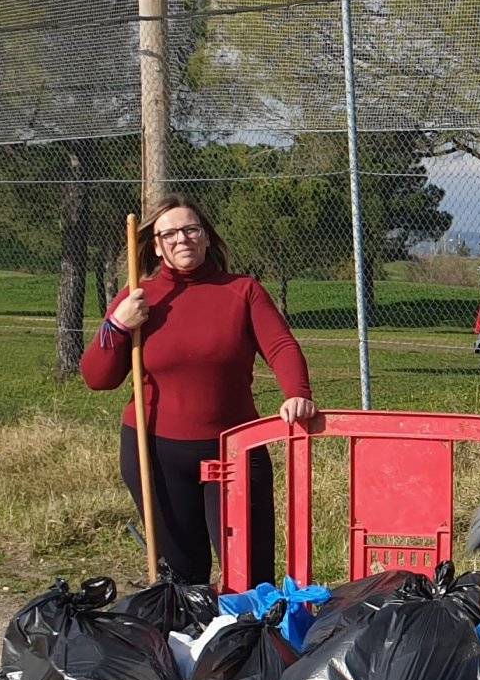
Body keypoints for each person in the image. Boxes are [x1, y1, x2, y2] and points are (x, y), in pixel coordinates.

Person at [82, 197, 315, 587]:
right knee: (183, 576)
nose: (182, 239)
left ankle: (251, 642)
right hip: (154, 449)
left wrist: (297, 392)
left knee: (250, 570)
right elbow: (97, 377)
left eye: (191, 229)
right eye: (169, 233)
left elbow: (281, 346)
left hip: (236, 447)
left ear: (206, 237)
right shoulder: (138, 296)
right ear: (156, 245)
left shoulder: (243, 291)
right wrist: (118, 326)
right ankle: (189, 644)